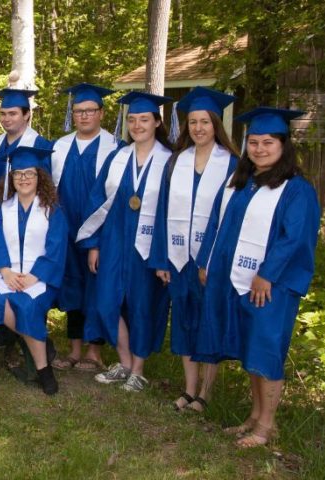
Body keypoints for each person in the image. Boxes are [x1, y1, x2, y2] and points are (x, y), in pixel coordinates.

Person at [196, 107, 319, 448]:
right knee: (251, 349)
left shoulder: (297, 190)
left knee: (266, 350)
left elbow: (294, 239)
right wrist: (207, 262)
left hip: (272, 287)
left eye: (268, 142)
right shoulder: (242, 183)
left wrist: (266, 275)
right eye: (253, 142)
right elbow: (217, 225)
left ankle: (267, 426)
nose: (260, 149)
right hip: (238, 281)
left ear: (283, 145)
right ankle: (254, 416)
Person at [149, 87, 239, 412]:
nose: (199, 128)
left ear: (216, 124)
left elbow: (231, 218)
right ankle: (189, 389)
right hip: (178, 258)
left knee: (208, 320)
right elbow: (162, 212)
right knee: (184, 321)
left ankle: (206, 392)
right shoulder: (176, 163)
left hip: (211, 260)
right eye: (193, 122)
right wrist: (161, 259)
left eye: (205, 121)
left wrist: (218, 259)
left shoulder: (232, 165)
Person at [77, 91, 173, 392]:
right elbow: (97, 200)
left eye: (144, 119)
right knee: (107, 302)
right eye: (132, 120)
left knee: (142, 305)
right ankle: (125, 361)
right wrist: (94, 244)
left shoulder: (170, 162)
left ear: (157, 122)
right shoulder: (118, 157)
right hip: (114, 240)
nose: (137, 125)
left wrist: (164, 256)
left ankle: (139, 369)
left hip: (147, 245)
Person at [0, 146, 68, 395]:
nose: (23, 178)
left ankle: (44, 370)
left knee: (27, 306)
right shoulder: (2, 208)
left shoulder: (51, 209)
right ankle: (43, 345)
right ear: (11, 178)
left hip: (40, 277)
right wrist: (7, 272)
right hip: (8, 274)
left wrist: (33, 276)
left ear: (39, 176)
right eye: (18, 173)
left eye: (29, 173)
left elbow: (56, 248)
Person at [49, 83, 119, 373]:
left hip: (98, 231)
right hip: (66, 230)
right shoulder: (59, 147)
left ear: (101, 113)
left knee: (97, 287)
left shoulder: (116, 148)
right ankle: (75, 349)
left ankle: (95, 351)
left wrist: (99, 241)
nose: (84, 116)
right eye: (79, 111)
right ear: (72, 114)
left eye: (90, 111)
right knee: (72, 286)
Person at [0, 87, 52, 353]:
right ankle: (7, 332)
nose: (6, 119)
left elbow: (46, 185)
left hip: (30, 217)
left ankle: (29, 332)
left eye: (12, 113)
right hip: (0, 218)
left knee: (29, 271)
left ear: (27, 115)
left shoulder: (39, 145)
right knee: (1, 272)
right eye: (3, 113)